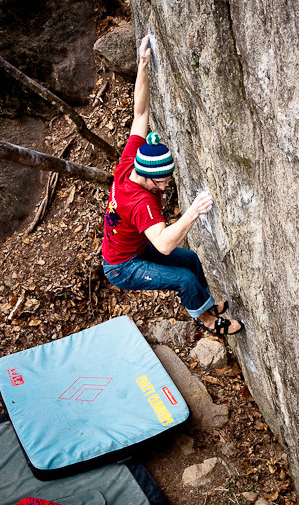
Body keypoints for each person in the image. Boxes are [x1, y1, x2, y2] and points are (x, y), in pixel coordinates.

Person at [101, 34, 244, 336]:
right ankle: (207, 321)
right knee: (184, 279)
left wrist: (142, 64)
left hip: (135, 247)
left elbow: (140, 113)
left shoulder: (130, 162)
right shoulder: (139, 202)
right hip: (122, 267)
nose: (165, 188)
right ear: (146, 176)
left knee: (190, 259)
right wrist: (193, 212)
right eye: (162, 182)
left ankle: (204, 305)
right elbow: (164, 244)